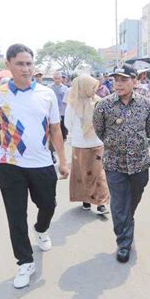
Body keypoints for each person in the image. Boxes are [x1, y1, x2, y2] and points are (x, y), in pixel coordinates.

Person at [0, 44, 69, 289]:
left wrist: (62, 160)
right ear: (8, 65)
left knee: (48, 205)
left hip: (42, 163)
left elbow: (55, 129)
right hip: (10, 164)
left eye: (29, 63)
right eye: (20, 63)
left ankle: (41, 229)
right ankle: (24, 262)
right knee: (16, 215)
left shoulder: (46, 94)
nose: (26, 68)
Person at [93, 63, 150, 263]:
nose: (118, 84)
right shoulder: (103, 105)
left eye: (123, 80)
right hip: (114, 164)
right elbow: (99, 131)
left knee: (132, 202)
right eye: (115, 80)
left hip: (140, 163)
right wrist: (114, 144)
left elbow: (148, 128)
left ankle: (127, 222)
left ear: (134, 81)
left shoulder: (146, 104)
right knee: (119, 205)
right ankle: (124, 242)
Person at [65, 75, 110, 214]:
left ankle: (101, 203)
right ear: (82, 87)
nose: (93, 89)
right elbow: (68, 123)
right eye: (91, 86)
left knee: (99, 174)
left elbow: (105, 122)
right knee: (82, 174)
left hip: (97, 143)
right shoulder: (72, 104)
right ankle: (86, 200)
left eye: (94, 86)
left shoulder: (98, 102)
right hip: (80, 145)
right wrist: (78, 135)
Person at [49, 71, 69, 140]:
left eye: (58, 78)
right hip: (52, 111)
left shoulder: (65, 88)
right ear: (53, 79)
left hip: (62, 112)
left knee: (63, 129)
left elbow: (67, 101)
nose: (57, 80)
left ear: (61, 79)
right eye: (55, 78)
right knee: (53, 128)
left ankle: (62, 142)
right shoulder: (49, 88)